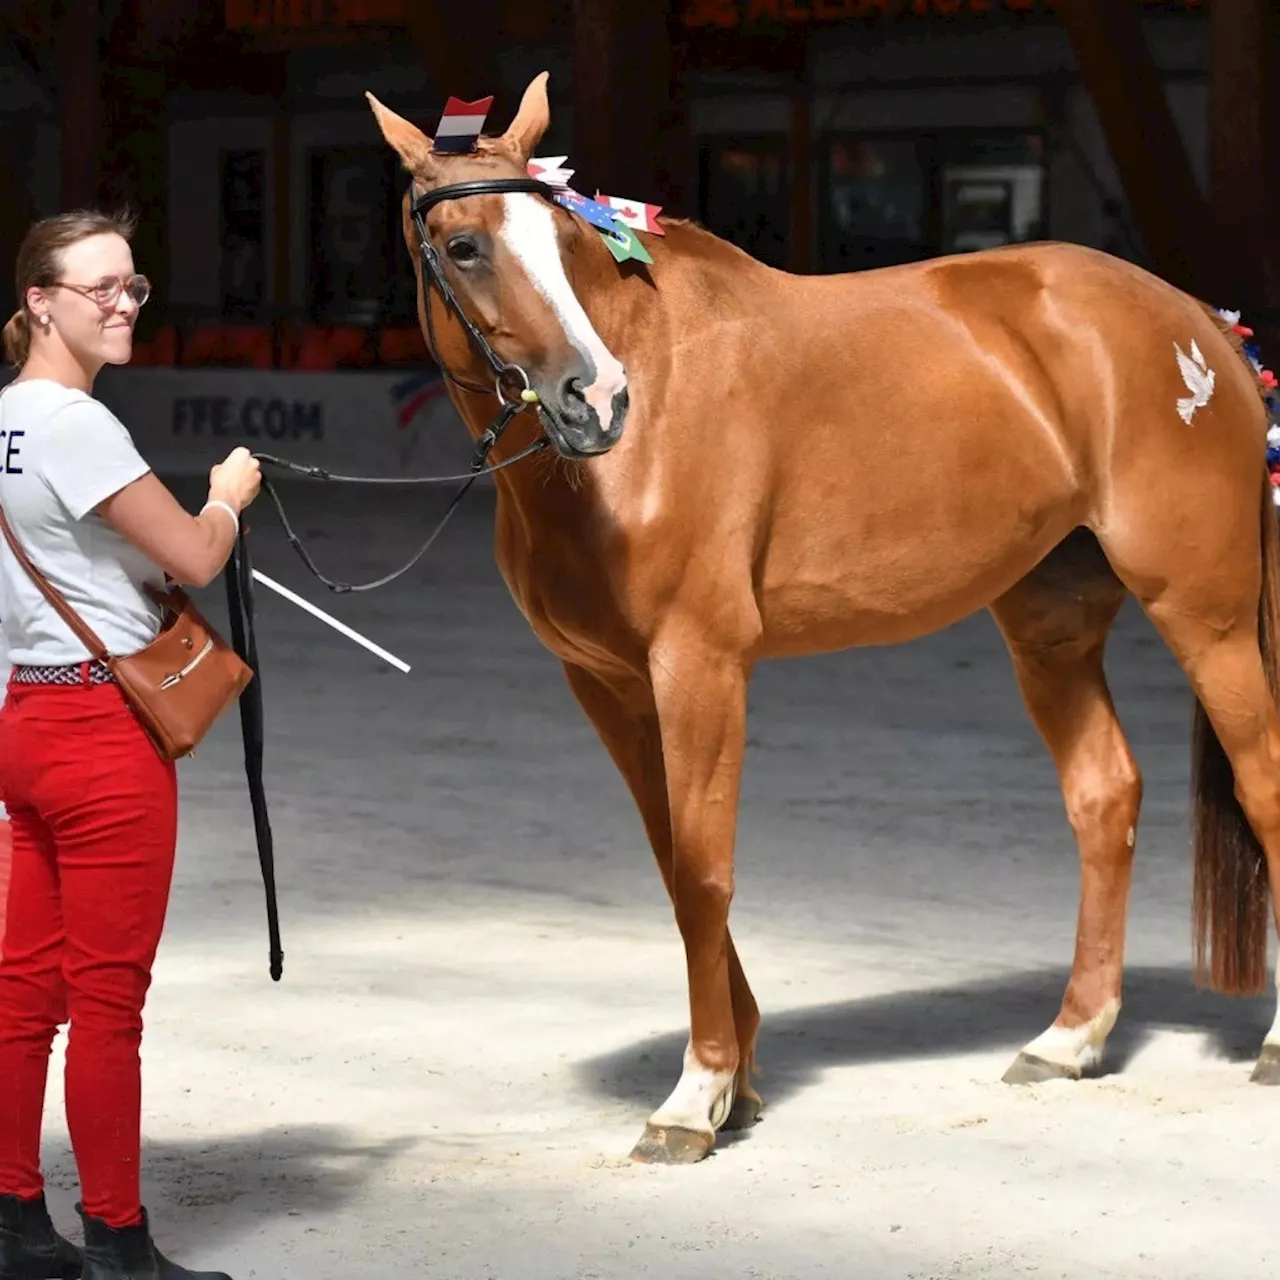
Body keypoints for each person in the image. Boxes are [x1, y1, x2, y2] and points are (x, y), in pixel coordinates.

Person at [0, 209, 261, 1280]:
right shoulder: (79, 425)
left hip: (24, 717)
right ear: (39, 300)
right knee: (106, 1002)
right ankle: (119, 1237)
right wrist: (228, 497)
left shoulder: (7, 418)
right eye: (97, 286)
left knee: (23, 988)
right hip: (102, 736)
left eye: (131, 285)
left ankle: (16, 1220)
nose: (120, 304)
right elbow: (198, 555)